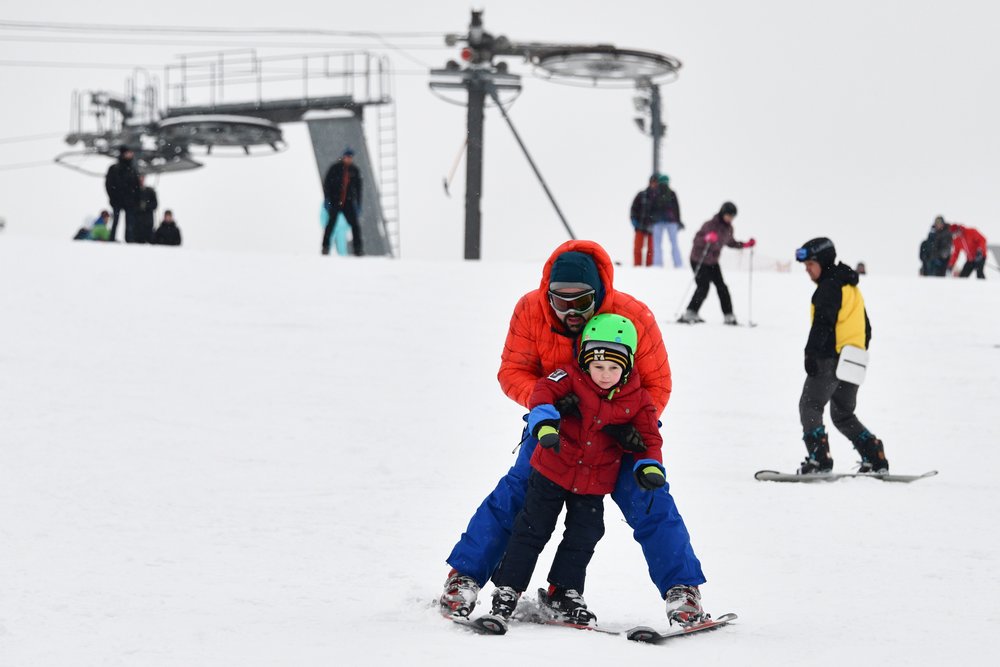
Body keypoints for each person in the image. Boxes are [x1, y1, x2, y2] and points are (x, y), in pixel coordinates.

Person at [440, 240, 707, 627]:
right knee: (517, 491)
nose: (569, 312)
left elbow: (657, 385)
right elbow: (511, 371)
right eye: (559, 302)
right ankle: (464, 577)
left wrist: (622, 423)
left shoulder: (633, 317)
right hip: (554, 427)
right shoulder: (530, 309)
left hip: (619, 430)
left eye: (580, 302)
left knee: (649, 499)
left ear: (597, 295)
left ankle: (682, 591)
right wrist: (546, 406)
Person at [487, 313, 665, 628]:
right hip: (552, 470)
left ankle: (564, 591)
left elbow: (649, 437)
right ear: (585, 361)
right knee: (532, 530)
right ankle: (508, 588)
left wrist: (649, 464)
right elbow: (542, 391)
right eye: (598, 366)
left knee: (585, 535)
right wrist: (545, 421)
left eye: (614, 367)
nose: (605, 374)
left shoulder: (638, 399)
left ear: (627, 366)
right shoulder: (567, 377)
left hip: (594, 482)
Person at [794, 238, 888, 474]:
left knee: (810, 404)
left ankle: (819, 459)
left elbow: (823, 323)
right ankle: (874, 455)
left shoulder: (829, 286)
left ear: (823, 261)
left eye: (810, 265)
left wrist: (812, 353)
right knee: (843, 414)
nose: (807, 271)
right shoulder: (851, 287)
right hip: (854, 361)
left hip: (831, 357)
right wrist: (858, 352)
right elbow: (867, 329)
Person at [678, 202, 755, 325]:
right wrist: (706, 238)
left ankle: (729, 315)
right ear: (723, 213)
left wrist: (745, 245)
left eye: (732, 216)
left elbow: (731, 242)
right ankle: (690, 313)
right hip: (699, 259)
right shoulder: (710, 224)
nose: (730, 218)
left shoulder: (729, 228)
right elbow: (696, 239)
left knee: (722, 287)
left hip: (713, 261)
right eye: (728, 215)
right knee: (703, 286)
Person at [322, 149, 363, 256]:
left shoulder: (354, 170)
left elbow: (358, 189)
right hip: (335, 200)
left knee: (355, 225)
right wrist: (327, 199)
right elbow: (327, 184)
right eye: (347, 157)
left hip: (348, 203)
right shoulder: (335, 168)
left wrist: (358, 204)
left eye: (350, 157)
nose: (349, 159)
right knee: (330, 224)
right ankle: (325, 248)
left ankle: (358, 249)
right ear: (343, 157)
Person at [104, 145, 141, 243]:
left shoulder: (133, 170)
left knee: (130, 222)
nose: (131, 155)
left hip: (129, 202)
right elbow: (109, 184)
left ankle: (129, 240)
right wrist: (112, 197)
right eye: (129, 153)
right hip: (117, 201)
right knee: (115, 221)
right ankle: (112, 239)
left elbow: (137, 187)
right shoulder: (114, 168)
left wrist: (136, 199)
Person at [651, 174, 684, 268]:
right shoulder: (672, 193)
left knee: (657, 244)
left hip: (657, 221)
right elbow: (677, 208)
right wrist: (678, 221)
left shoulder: (655, 193)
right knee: (674, 242)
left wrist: (651, 219)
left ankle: (657, 264)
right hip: (671, 221)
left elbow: (651, 208)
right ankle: (678, 264)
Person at [628, 175, 662, 266]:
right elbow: (633, 208)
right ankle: (637, 265)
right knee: (638, 247)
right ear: (650, 183)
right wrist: (633, 220)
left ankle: (649, 266)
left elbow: (660, 212)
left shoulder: (658, 198)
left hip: (652, 227)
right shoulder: (641, 195)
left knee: (651, 249)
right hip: (640, 225)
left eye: (656, 183)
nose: (654, 185)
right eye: (653, 182)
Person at [135, 175, 158, 244]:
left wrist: (146, 206)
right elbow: (131, 205)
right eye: (140, 178)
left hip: (148, 223)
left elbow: (155, 204)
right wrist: (139, 207)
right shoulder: (135, 191)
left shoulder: (150, 191)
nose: (141, 180)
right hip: (138, 224)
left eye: (142, 178)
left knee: (150, 242)